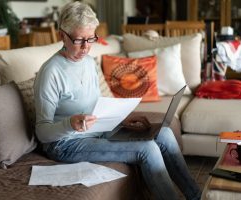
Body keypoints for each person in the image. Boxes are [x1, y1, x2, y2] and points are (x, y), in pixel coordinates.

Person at [34, 2, 201, 200]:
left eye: (91, 39)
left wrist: (120, 118)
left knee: (163, 133)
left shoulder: (88, 62)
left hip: (98, 131)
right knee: (147, 150)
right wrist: (69, 123)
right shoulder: (50, 72)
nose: (86, 47)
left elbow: (95, 106)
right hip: (66, 144)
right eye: (79, 40)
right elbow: (42, 132)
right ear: (62, 35)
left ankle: (196, 195)